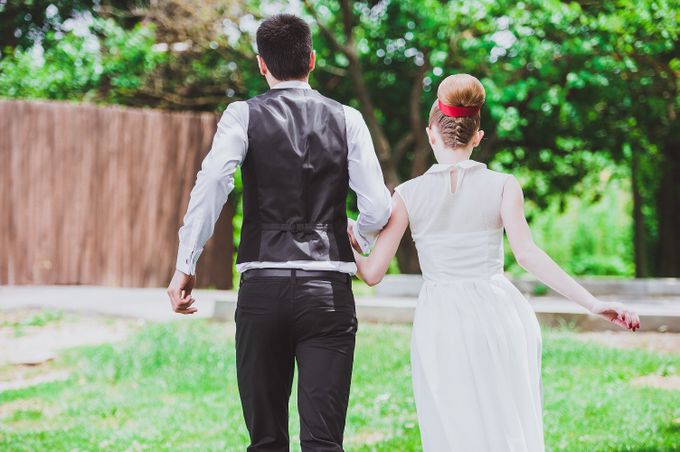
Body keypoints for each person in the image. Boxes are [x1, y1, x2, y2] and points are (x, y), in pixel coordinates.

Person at [349, 73, 640, 451]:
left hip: (441, 321)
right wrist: (593, 303)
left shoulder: (407, 195)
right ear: (477, 136)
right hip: (499, 314)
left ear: (431, 134)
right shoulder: (503, 185)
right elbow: (528, 254)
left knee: (453, 428)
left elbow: (372, 272)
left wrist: (344, 235)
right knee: (505, 424)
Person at [166, 14, 392, 451]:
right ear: (312, 60)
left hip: (262, 291)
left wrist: (186, 263)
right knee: (324, 443)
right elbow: (379, 206)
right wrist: (358, 236)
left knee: (266, 441)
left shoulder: (242, 115)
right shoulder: (347, 118)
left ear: (261, 64)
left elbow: (213, 182)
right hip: (328, 293)